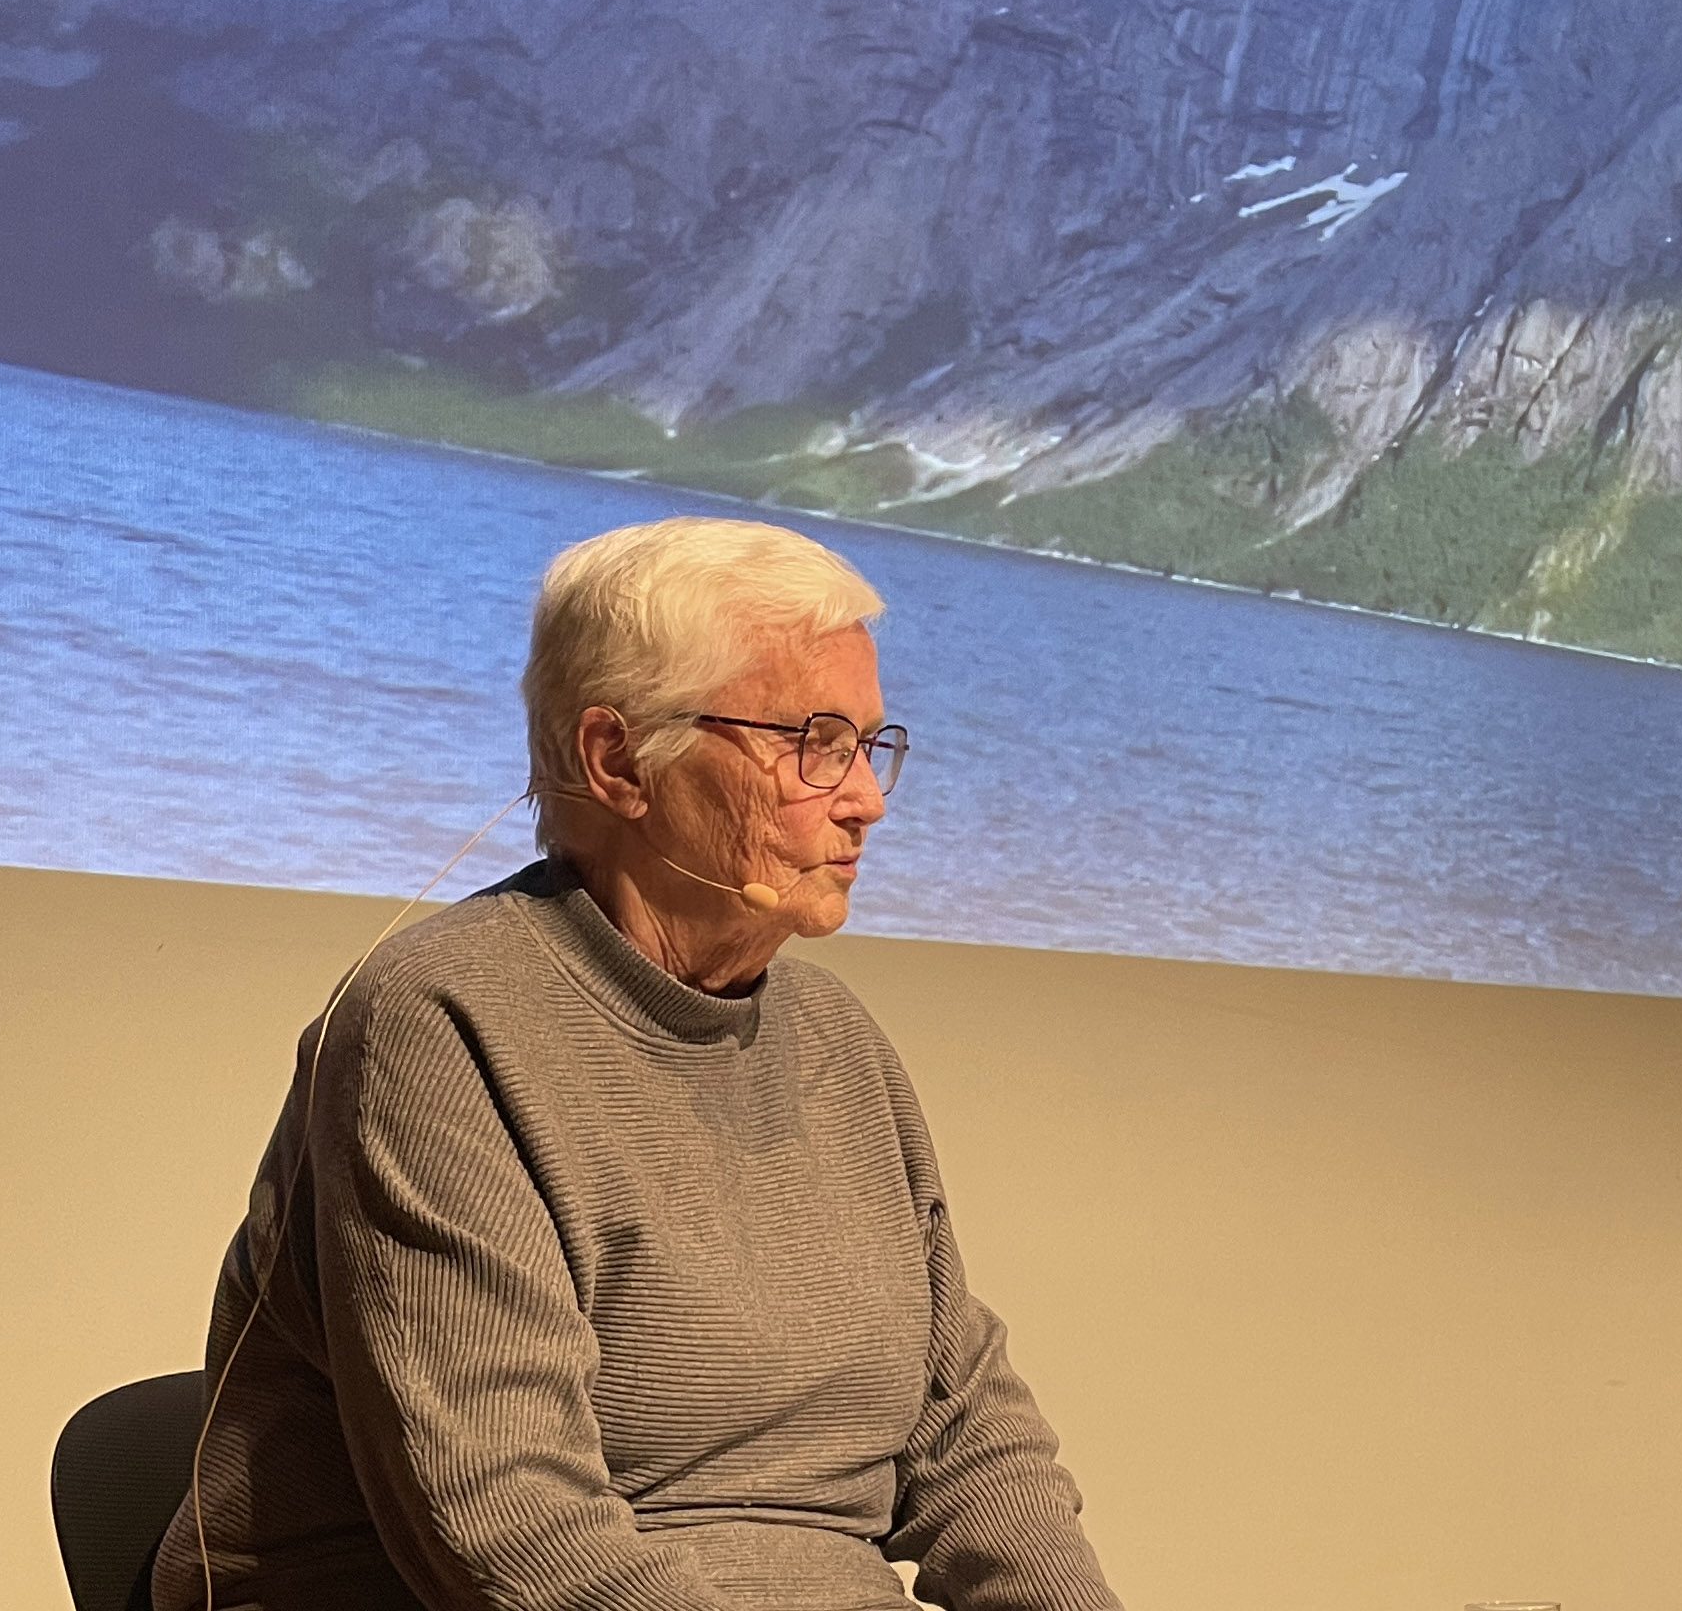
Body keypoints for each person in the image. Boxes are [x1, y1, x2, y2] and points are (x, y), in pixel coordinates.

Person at [155, 517, 1122, 1611]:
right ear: (616, 761)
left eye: (867, 744)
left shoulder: (837, 1041)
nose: (867, 798)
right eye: (813, 742)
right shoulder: (436, 1025)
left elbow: (968, 1435)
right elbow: (512, 1530)